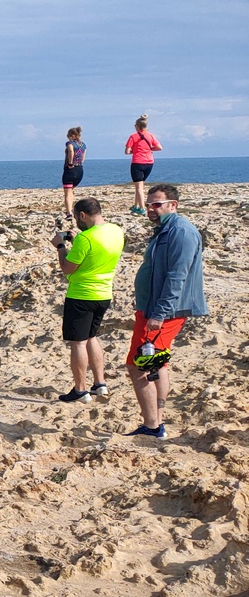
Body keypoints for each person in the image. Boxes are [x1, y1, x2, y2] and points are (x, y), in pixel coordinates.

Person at [126, 184, 206, 438]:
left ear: (173, 205)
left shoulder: (181, 232)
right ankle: (157, 421)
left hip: (163, 313)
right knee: (158, 363)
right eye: (149, 204)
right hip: (154, 309)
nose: (151, 208)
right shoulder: (166, 229)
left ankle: (152, 425)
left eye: (157, 204)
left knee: (137, 365)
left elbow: (176, 276)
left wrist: (159, 314)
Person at [52, 198, 123, 403]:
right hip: (104, 293)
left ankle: (80, 389)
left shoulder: (86, 239)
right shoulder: (116, 231)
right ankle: (100, 383)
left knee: (78, 343)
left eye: (75, 217)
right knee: (92, 336)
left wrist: (60, 247)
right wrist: (77, 242)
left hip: (82, 294)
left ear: (82, 215)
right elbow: (94, 254)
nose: (75, 222)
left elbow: (67, 268)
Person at [125, 115, 162, 214]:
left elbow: (127, 151)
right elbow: (159, 147)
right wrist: (148, 149)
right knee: (140, 185)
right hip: (149, 162)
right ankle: (136, 205)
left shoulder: (133, 136)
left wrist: (136, 150)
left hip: (137, 162)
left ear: (137, 126)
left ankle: (142, 208)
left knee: (139, 187)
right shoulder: (151, 136)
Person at [61, 127, 86, 214]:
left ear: (72, 135)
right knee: (71, 190)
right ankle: (70, 209)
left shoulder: (69, 143)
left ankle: (69, 212)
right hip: (79, 169)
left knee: (67, 192)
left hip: (70, 169)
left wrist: (70, 163)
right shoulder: (83, 145)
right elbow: (83, 158)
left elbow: (71, 151)